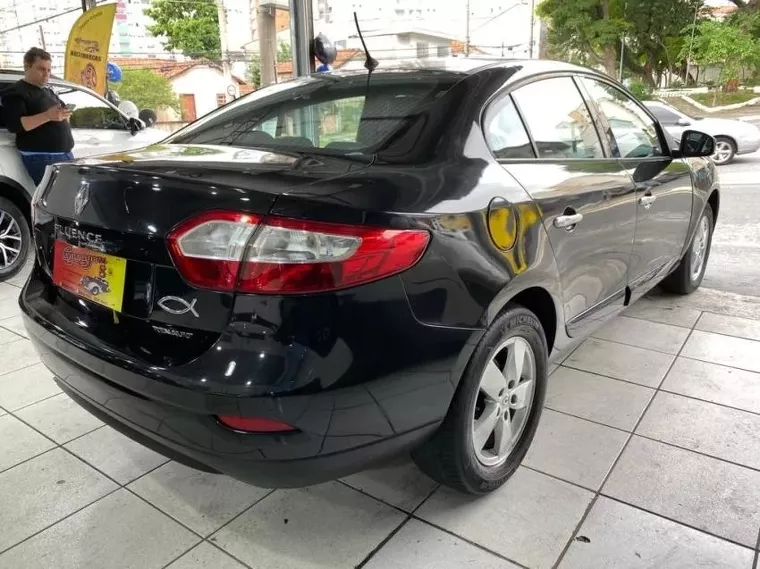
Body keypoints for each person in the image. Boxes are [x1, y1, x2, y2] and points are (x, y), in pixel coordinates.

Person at [2, 47, 74, 185]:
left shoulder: (48, 91)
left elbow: (56, 115)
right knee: (56, 201)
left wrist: (63, 115)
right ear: (27, 67)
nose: (46, 73)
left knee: (68, 199)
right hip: (43, 157)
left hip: (64, 154)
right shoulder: (15, 92)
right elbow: (15, 125)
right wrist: (48, 115)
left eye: (48, 70)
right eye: (41, 69)